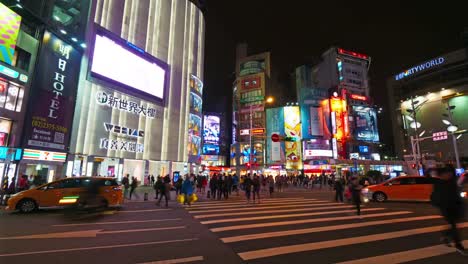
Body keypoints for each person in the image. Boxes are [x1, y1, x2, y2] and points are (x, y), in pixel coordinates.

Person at [431, 166, 466, 255]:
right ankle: (459, 246)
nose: (449, 174)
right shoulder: (439, 184)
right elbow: (435, 198)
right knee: (454, 227)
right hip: (446, 209)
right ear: (442, 174)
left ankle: (445, 235)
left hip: (456, 207)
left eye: (450, 172)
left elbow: (456, 195)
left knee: (454, 225)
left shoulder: (452, 182)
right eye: (447, 173)